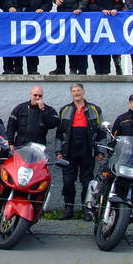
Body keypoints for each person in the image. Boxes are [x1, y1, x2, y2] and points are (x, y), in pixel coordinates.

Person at [55, 83, 104, 220]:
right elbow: (59, 133)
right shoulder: (65, 110)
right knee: (68, 181)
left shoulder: (94, 109)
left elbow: (101, 132)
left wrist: (100, 151)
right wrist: (58, 151)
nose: (76, 93)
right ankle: (68, 209)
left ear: (83, 92)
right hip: (69, 151)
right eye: (74, 91)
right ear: (71, 93)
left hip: (87, 151)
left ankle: (87, 210)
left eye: (79, 90)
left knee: (87, 182)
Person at [8, 0, 53, 75]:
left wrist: (42, 9)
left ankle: (33, 69)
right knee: (18, 44)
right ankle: (17, 69)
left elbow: (48, 4)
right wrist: (11, 7)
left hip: (34, 23)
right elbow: (10, 0)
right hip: (19, 22)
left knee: (32, 45)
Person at [50, 0, 89, 75]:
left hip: (75, 13)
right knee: (60, 41)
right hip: (62, 13)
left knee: (74, 41)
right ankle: (60, 68)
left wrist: (80, 8)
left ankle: (74, 68)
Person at [85, 0, 124, 75]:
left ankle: (106, 71)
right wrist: (101, 10)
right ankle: (98, 71)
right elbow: (89, 3)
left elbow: (119, 0)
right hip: (96, 21)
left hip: (110, 20)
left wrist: (115, 9)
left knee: (108, 44)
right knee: (96, 45)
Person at [7, 85, 60, 151]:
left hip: (39, 146)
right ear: (30, 95)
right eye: (35, 95)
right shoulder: (20, 108)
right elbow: (11, 127)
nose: (37, 97)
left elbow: (54, 124)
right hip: (20, 145)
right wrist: (10, 143)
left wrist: (43, 110)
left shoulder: (48, 110)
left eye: (40, 96)